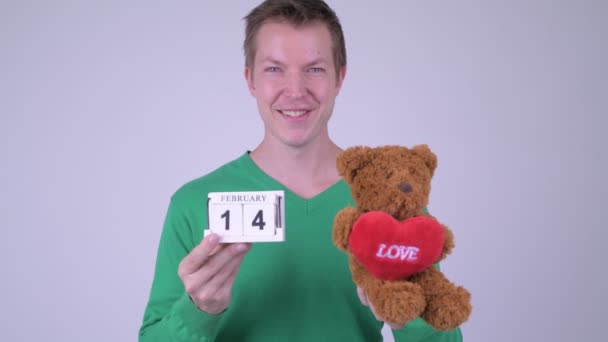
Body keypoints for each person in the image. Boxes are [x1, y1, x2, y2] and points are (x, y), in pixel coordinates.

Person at [138, 0, 464, 341]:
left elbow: (444, 330)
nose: (295, 91)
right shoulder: (193, 204)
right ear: (250, 79)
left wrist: (405, 317)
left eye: (315, 69)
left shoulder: (393, 199)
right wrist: (197, 311)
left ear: (340, 77)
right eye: (275, 69)